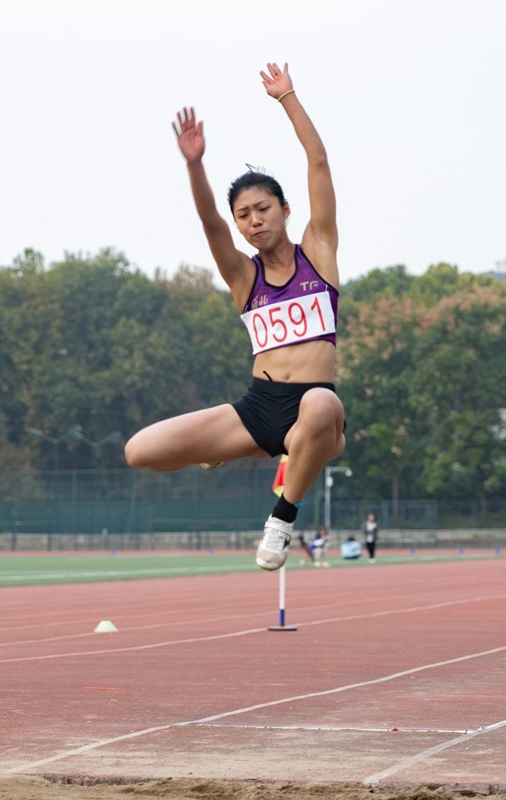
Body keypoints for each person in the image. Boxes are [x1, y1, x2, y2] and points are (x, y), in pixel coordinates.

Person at [124, 63, 346, 571]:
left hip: (316, 415)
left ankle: (282, 520)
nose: (254, 220)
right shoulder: (244, 278)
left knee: (318, 401)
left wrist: (287, 96)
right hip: (259, 406)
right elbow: (208, 220)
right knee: (141, 451)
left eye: (263, 208)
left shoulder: (320, 251)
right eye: (244, 215)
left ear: (285, 209)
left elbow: (318, 161)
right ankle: (235, 449)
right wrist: (194, 165)